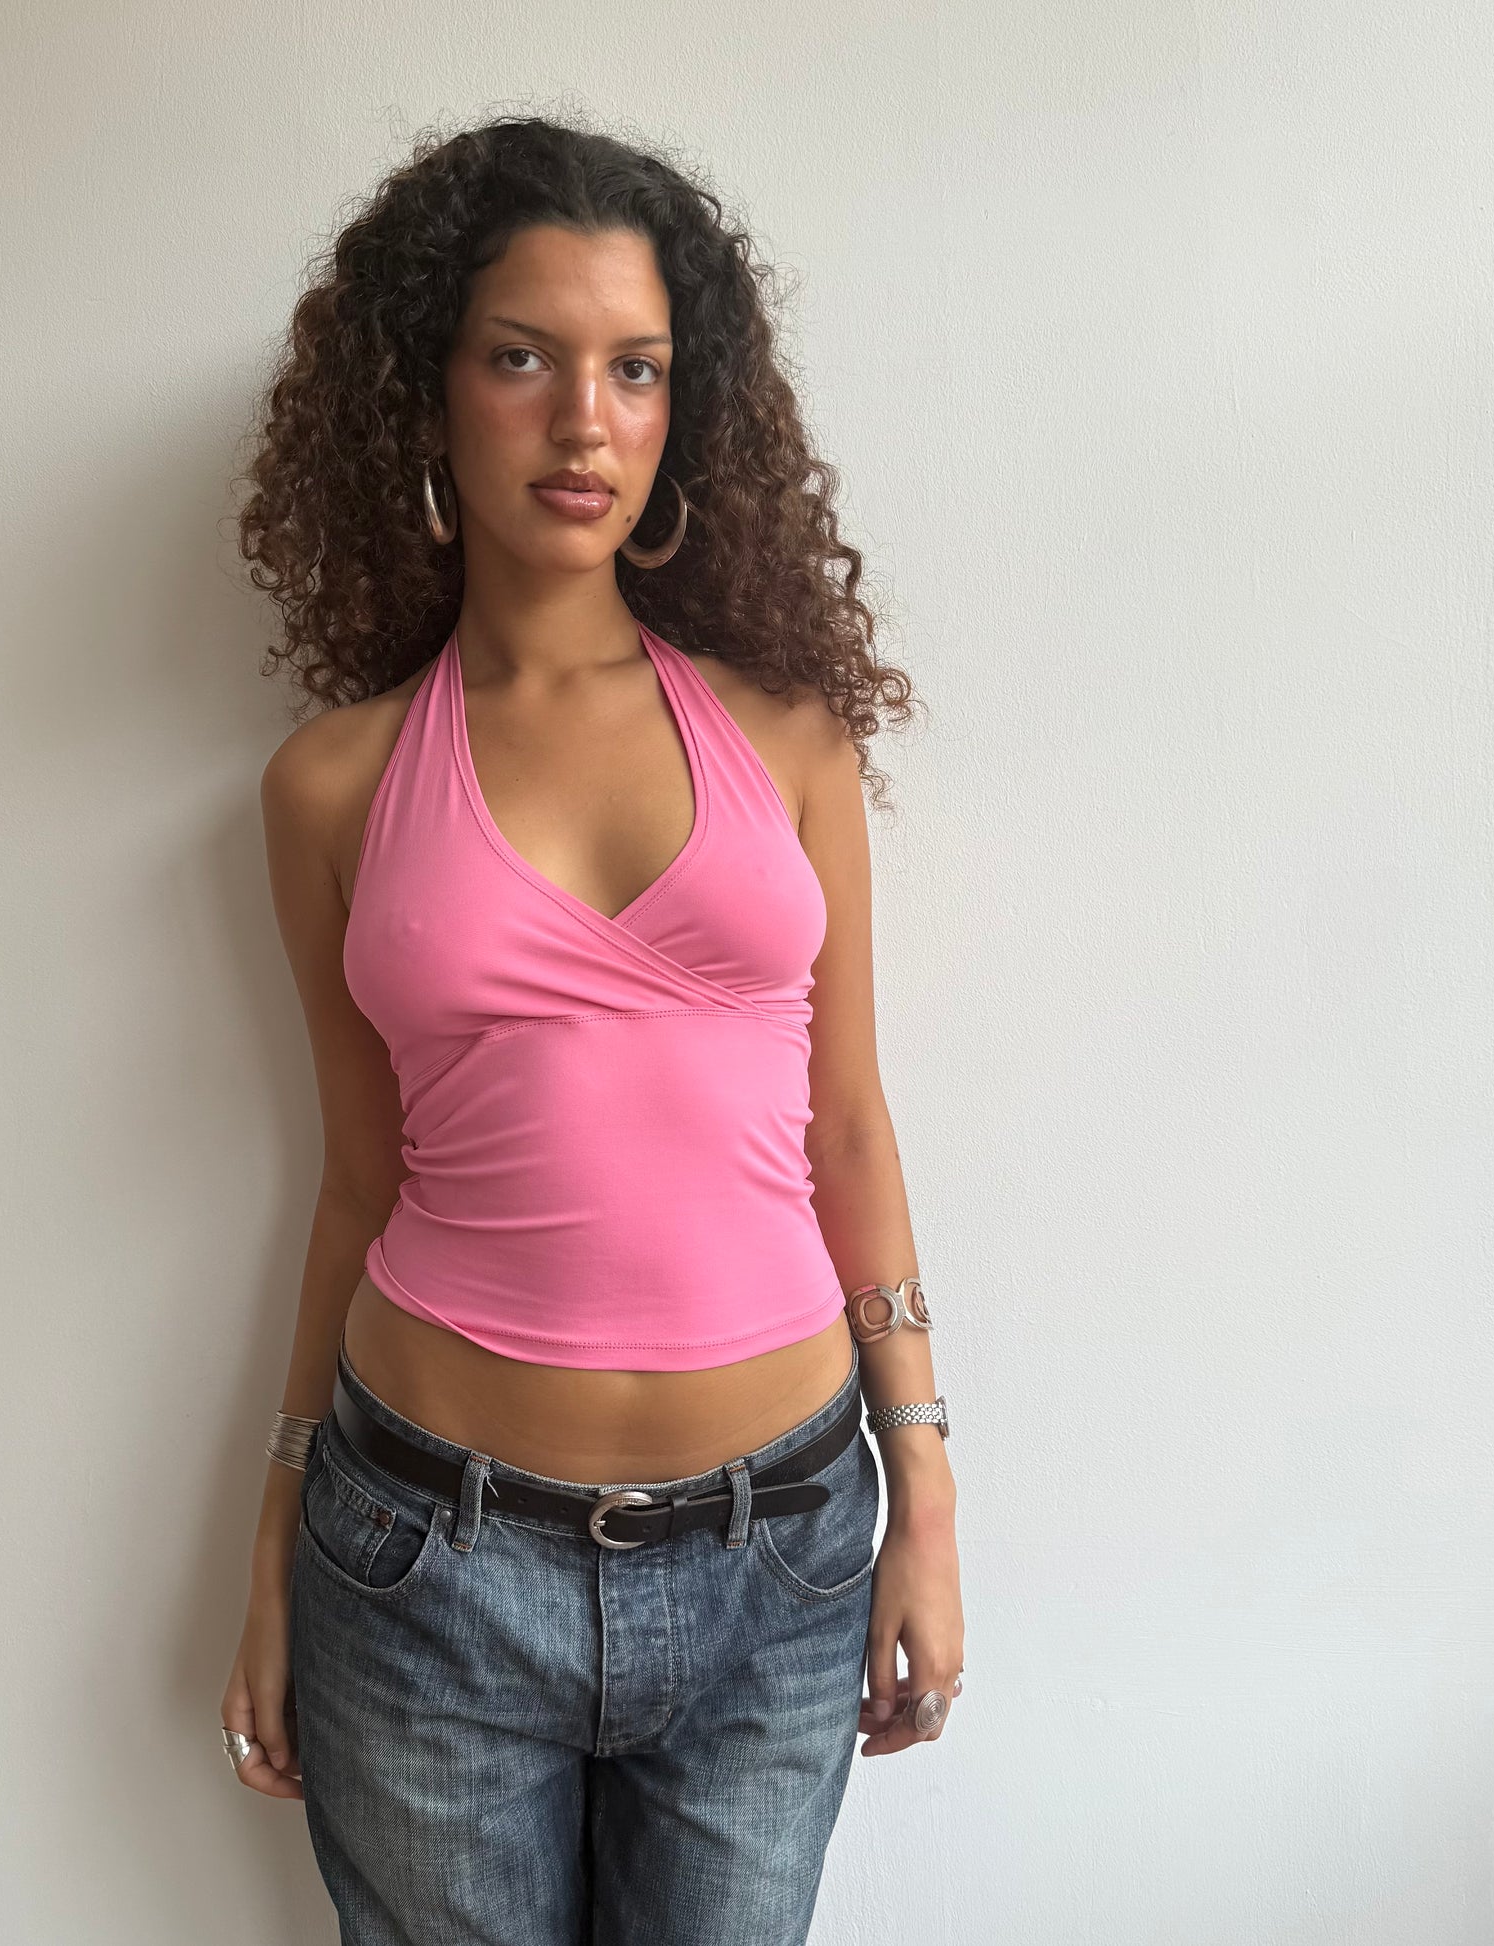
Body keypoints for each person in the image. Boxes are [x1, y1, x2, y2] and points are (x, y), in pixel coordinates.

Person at [221, 114, 964, 1945]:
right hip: (428, 1557)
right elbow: (357, 1179)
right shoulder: (331, 786)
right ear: (425, 392)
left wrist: (927, 1488)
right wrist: (275, 1539)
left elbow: (845, 1125)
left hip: (783, 1552)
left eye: (634, 368)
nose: (583, 422)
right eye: (521, 358)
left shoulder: (786, 739)